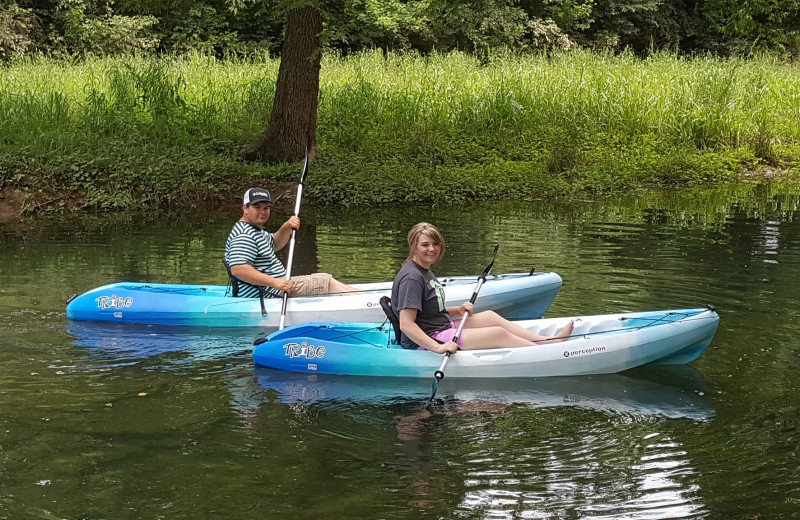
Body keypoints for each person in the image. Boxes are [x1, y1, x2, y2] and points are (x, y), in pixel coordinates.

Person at [390, 222, 573, 353]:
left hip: (440, 326)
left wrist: (459, 309)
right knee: (497, 333)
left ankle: (547, 341)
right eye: (425, 245)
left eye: (435, 244)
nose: (432, 249)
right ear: (414, 247)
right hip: (429, 338)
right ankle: (547, 353)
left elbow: (430, 310)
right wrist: (438, 347)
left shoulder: (423, 270)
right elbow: (406, 324)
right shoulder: (412, 278)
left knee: (490, 317)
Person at [224, 187, 356, 298]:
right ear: (245, 208)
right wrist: (275, 282)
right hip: (267, 293)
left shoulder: (255, 230)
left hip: (274, 288)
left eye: (266, 208)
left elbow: (275, 244)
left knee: (323, 278)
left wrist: (286, 227)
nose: (263, 212)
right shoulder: (244, 235)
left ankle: (363, 299)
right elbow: (238, 269)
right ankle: (367, 303)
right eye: (257, 207)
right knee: (323, 282)